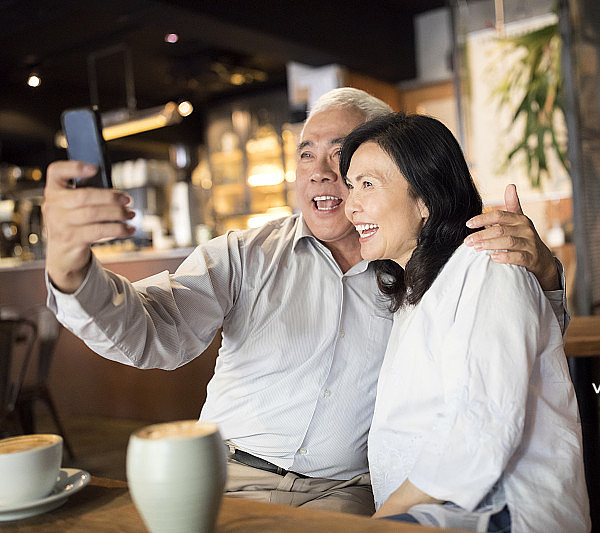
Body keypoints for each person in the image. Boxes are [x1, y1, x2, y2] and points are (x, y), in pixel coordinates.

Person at [42, 88, 569, 515]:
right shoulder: (245, 255)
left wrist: (542, 275)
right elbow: (151, 328)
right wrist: (72, 271)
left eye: (346, 161)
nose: (320, 170)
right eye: (305, 153)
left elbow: (514, 368)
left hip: (341, 496)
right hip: (223, 475)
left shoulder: (420, 270)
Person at [341, 112, 589, 532]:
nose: (351, 205)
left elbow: (480, 424)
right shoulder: (414, 291)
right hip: (433, 511)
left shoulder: (490, 265)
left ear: (426, 199)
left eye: (368, 184)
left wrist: (377, 522)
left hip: (496, 513)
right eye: (351, 185)